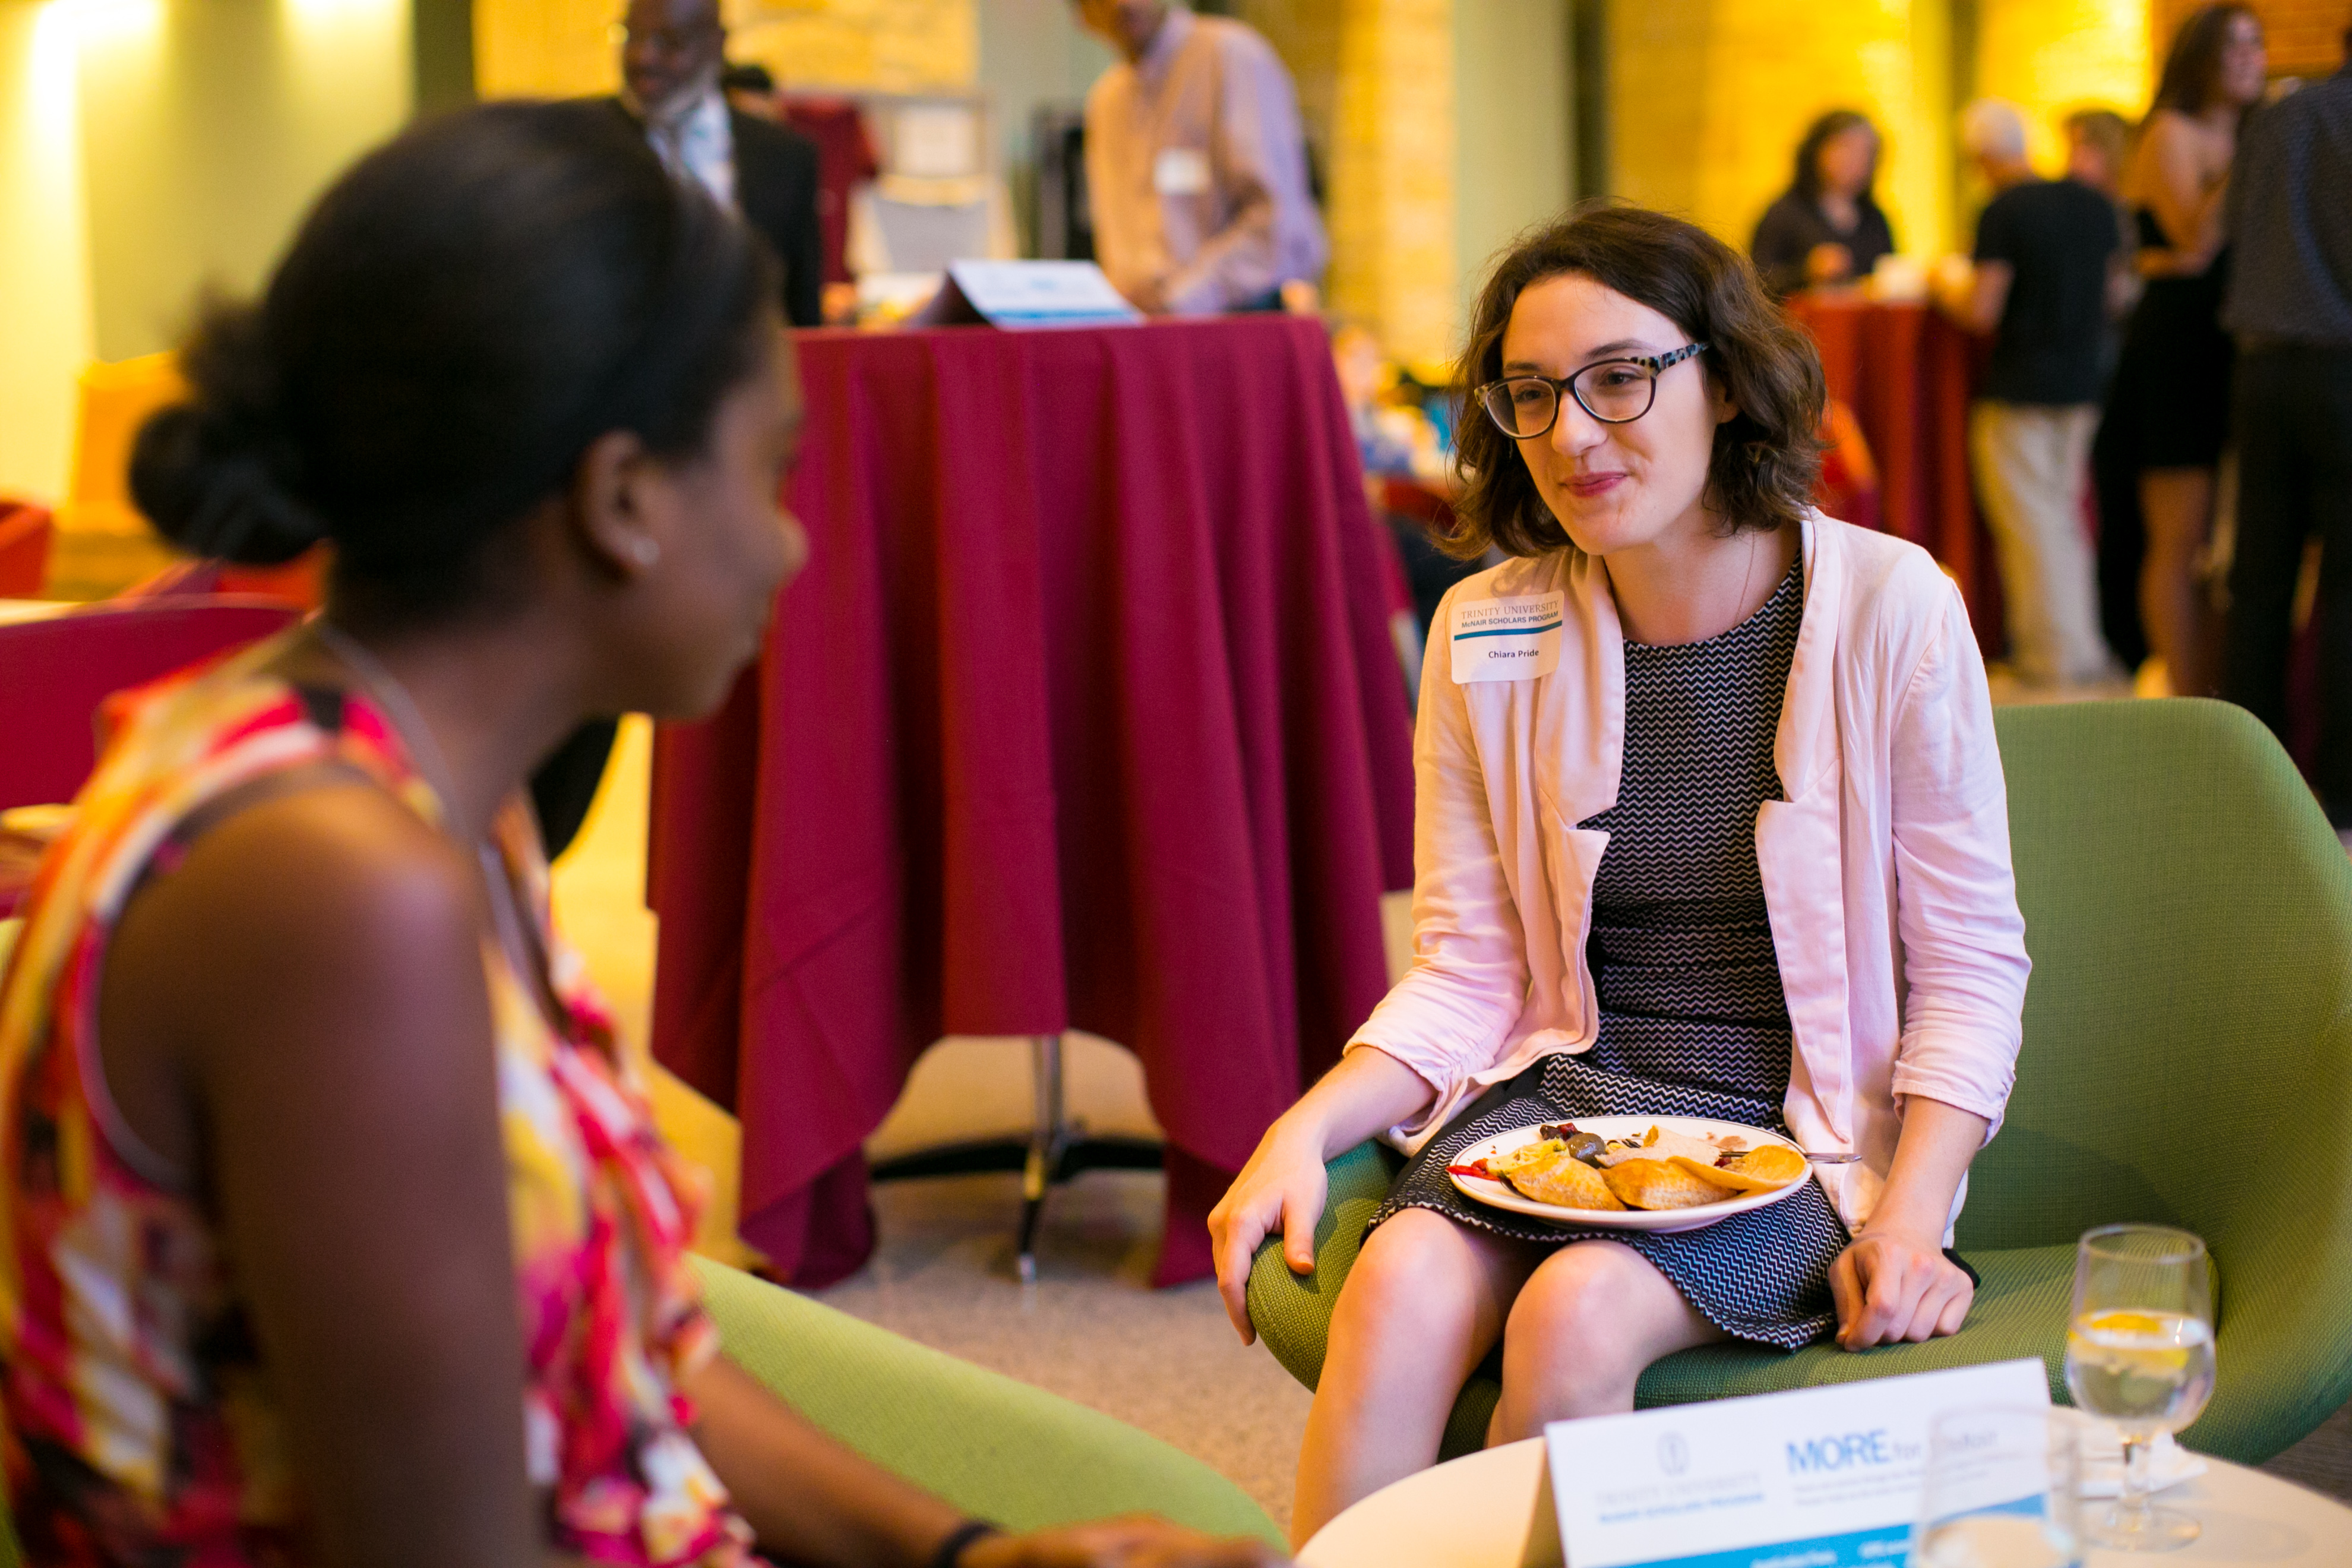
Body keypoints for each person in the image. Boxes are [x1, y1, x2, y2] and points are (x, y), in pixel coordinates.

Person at [0, 101, 1279, 1568]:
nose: (792, 540)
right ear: (621, 500)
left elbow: (619, 1343)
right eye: (769, 470)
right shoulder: (328, 885)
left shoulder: (431, 786)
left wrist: (968, 1553)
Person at [1207, 204, 2029, 1544]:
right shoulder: (1487, 627)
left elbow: (1972, 969)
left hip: (1794, 1129)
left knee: (1578, 1308)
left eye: (1622, 378)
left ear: (1727, 378)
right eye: (1533, 396)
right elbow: (1469, 968)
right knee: (1398, 1280)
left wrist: (1919, 1218)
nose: (1576, 434)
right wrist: (1307, 1123)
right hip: (1573, 1100)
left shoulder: (1893, 607)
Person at [2093, 4, 2268, 696]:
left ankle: (2222, 690)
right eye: (2236, 48)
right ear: (2201, 58)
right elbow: (2194, 241)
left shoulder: (2259, 135)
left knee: (2230, 545)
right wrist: (2248, 162)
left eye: (2258, 46)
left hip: (2237, 343)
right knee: (2179, 537)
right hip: (2176, 348)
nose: (2252, 59)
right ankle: (2187, 699)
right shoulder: (2170, 130)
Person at [2221, 25, 2352, 843]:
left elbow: (2233, 229)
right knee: (2347, 582)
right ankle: (2336, 793)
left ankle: (2243, 783)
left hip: (2259, 370)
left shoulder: (2277, 116)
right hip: (2342, 365)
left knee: (2258, 580)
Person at [1944, 98, 2122, 688]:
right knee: (2066, 517)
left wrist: (1942, 287)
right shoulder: (2093, 204)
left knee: (2031, 522)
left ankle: (2053, 657)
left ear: (1980, 157)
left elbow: (1982, 307)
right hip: (2084, 384)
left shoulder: (2003, 210)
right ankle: (2082, 646)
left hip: (2021, 383)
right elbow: (2119, 296)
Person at [1073, 0, 1329, 315]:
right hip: (1149, 331)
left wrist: (1181, 299)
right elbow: (1117, 245)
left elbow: (1278, 227)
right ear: (1081, 15)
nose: (1122, 4)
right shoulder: (1105, 102)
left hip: (1239, 324)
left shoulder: (1231, 55)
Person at [1749, 110, 1897, 298]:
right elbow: (1755, 283)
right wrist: (1805, 271)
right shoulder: (1784, 214)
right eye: (1846, 148)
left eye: (1866, 152)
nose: (1856, 161)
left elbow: (1890, 276)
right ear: (1818, 150)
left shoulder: (1875, 219)